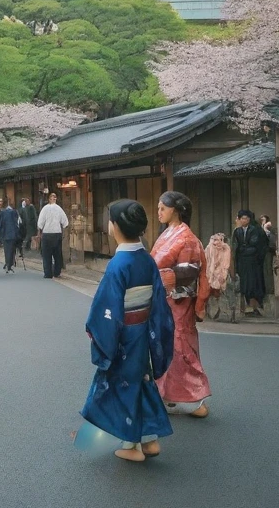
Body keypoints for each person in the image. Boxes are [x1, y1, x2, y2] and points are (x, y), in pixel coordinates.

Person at [80, 198, 175, 463]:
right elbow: (157, 301)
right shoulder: (146, 260)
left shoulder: (118, 264)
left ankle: (132, 445)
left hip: (123, 336)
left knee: (124, 385)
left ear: (115, 227)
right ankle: (151, 440)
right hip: (143, 331)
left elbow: (106, 309)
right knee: (142, 380)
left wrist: (100, 334)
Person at [152, 191, 211, 417]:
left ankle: (196, 401)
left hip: (178, 301)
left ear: (175, 211)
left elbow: (188, 273)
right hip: (164, 301)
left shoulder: (185, 238)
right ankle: (168, 395)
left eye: (162, 209)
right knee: (165, 348)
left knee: (181, 349)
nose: (159, 213)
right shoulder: (168, 233)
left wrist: (159, 278)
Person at [232, 209, 269, 316]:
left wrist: (243, 248)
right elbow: (235, 246)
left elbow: (254, 245)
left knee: (253, 284)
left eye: (246, 218)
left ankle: (254, 308)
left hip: (253, 263)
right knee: (243, 284)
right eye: (242, 218)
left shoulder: (255, 229)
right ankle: (247, 308)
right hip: (242, 262)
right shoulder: (237, 230)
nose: (244, 220)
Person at [203, 232, 238, 323]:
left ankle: (231, 315)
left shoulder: (226, 249)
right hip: (211, 275)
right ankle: (210, 313)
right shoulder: (209, 249)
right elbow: (206, 262)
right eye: (214, 240)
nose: (216, 242)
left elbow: (229, 263)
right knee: (209, 295)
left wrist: (231, 275)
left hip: (224, 275)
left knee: (229, 294)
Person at [37, 192, 69, 279]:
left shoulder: (45, 209)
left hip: (47, 234)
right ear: (55, 199)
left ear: (48, 199)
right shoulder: (59, 209)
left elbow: (40, 223)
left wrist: (40, 232)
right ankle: (57, 272)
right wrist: (63, 232)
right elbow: (65, 222)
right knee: (57, 254)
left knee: (46, 255)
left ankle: (48, 273)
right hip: (57, 233)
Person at [0, 198, 20, 273]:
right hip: (13, 234)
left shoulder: (1, 213)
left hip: (5, 234)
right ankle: (10, 264)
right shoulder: (14, 212)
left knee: (7, 249)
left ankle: (8, 264)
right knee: (12, 249)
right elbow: (17, 223)